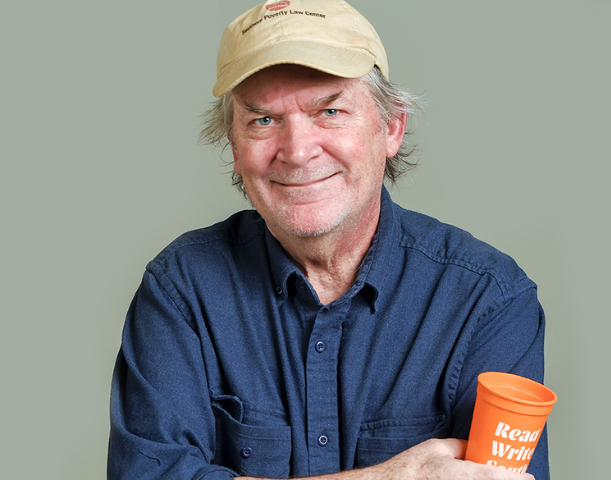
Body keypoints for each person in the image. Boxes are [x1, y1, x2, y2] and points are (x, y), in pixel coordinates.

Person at [108, 1, 548, 479]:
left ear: (391, 128)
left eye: (330, 111)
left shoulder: (488, 300)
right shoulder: (181, 290)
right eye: (263, 121)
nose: (296, 152)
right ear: (234, 148)